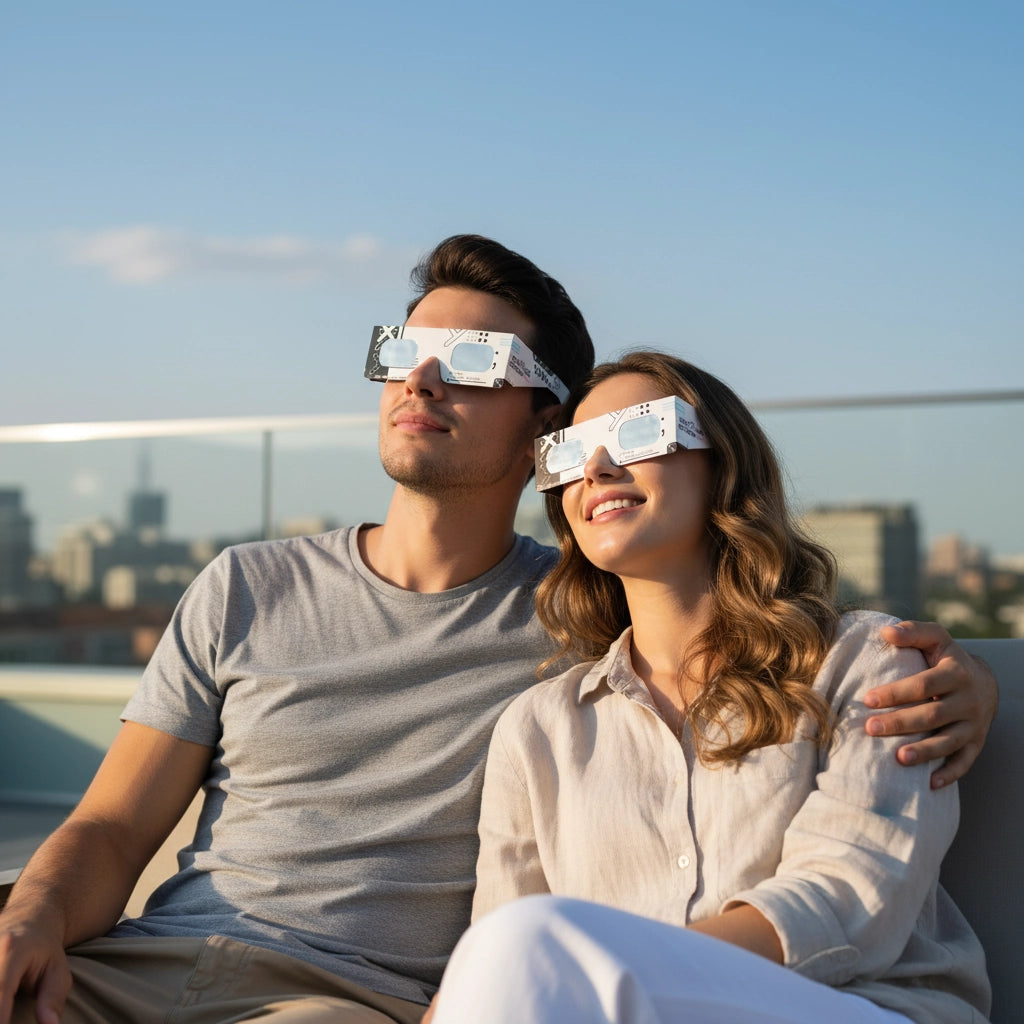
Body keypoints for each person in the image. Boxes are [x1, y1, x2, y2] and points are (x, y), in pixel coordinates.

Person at [0, 238, 995, 1024]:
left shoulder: (585, 626)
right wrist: (29, 914)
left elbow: (761, 676)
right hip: (136, 966)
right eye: (402, 350)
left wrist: (969, 680)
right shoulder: (254, 591)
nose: (420, 380)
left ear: (537, 432)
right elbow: (113, 824)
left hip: (340, 999)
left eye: (473, 363)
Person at [427, 352, 991, 1024]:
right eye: (569, 453)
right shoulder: (538, 728)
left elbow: (851, 899)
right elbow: (504, 960)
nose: (597, 467)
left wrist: (610, 974)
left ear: (722, 463)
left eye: (639, 432)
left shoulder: (869, 661)